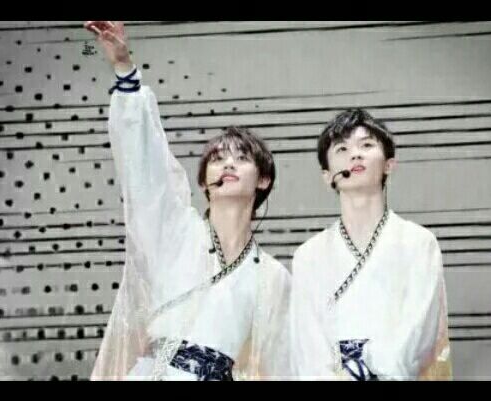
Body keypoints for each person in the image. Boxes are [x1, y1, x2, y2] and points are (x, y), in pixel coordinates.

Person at [84, 21, 290, 381]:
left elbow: (283, 366)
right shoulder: (175, 231)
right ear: (203, 182)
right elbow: (146, 170)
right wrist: (124, 68)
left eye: (241, 158)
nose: (228, 164)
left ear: (264, 179)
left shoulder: (273, 277)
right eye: (217, 159)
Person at [290, 109, 452, 380]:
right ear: (327, 175)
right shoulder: (308, 256)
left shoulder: (418, 243)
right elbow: (307, 347)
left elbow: (419, 333)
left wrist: (371, 371)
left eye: (366, 145)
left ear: (389, 164)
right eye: (342, 149)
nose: (355, 155)